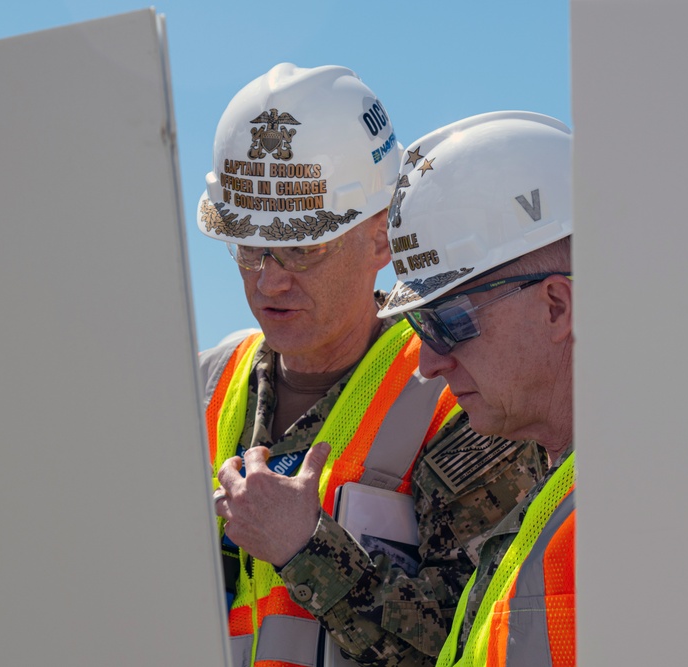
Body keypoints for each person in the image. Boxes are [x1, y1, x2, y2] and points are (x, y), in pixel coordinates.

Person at [197, 64, 547, 667]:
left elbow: (479, 645)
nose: (269, 277)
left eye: (303, 247)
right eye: (249, 246)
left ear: (381, 238)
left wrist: (306, 549)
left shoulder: (461, 398)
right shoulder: (201, 387)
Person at [376, 111, 575, 667]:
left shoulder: (630, 513)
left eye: (450, 321)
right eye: (418, 326)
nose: (430, 363)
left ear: (556, 305)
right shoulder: (553, 507)